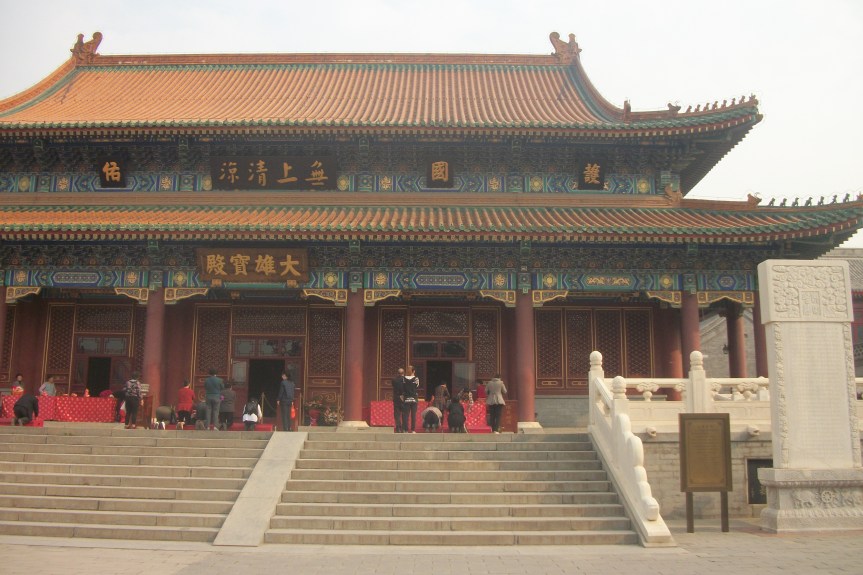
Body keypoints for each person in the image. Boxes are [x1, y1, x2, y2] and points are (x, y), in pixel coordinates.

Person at [400, 365, 420, 433]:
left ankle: (405, 429)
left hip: (406, 398)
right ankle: (413, 430)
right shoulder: (416, 378)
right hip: (414, 398)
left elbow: (402, 388)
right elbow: (416, 386)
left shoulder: (403, 379)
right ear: (413, 371)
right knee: (413, 415)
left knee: (406, 415)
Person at [391, 368, 406, 433]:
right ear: (403, 373)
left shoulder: (394, 380)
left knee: (397, 413)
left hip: (396, 398)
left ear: (398, 373)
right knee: (404, 413)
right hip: (403, 398)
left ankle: (398, 427)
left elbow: (394, 386)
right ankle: (403, 428)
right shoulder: (406, 379)